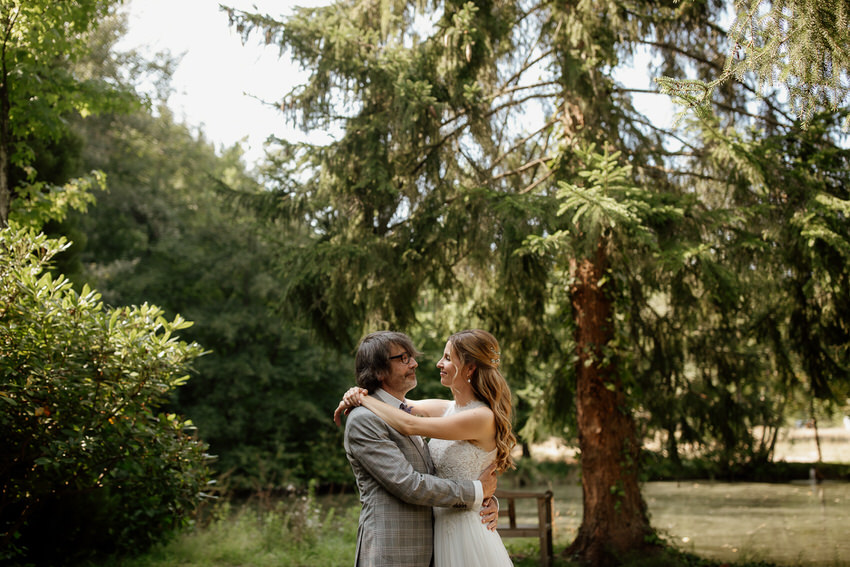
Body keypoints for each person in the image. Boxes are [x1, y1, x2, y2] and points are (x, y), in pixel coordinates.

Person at [337, 329, 516, 567]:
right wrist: (356, 395)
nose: (416, 363)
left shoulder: (478, 416)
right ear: (379, 370)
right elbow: (408, 481)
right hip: (394, 551)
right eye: (403, 358)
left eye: (448, 358)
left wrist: (485, 498)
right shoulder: (370, 419)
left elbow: (409, 424)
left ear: (470, 368)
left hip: (460, 536)